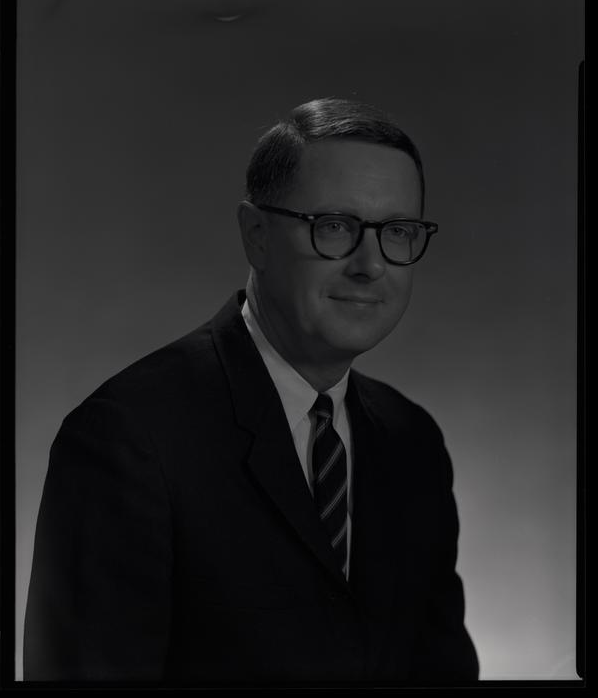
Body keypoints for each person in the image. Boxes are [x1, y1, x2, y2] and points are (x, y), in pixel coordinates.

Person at [24, 97, 479, 683]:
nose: (370, 265)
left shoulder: (412, 440)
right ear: (256, 234)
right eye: (334, 226)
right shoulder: (128, 438)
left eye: (396, 231)